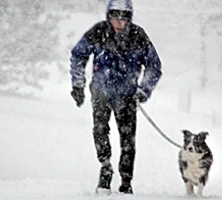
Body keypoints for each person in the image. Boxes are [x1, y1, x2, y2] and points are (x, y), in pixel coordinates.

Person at [69, 0, 162, 194]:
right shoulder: (98, 32)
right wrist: (78, 84)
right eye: (114, 17)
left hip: (127, 96)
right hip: (101, 92)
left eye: (124, 17)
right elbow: (78, 55)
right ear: (108, 16)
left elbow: (154, 65)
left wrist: (144, 90)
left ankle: (126, 180)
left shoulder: (139, 36)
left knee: (128, 139)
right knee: (100, 131)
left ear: (129, 18)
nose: (119, 22)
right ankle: (105, 166)